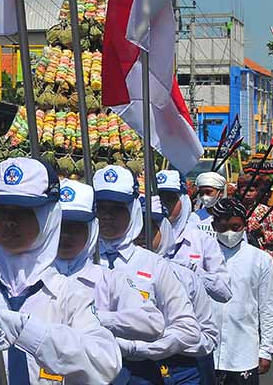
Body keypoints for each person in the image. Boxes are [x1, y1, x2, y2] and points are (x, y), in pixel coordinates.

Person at [0, 157, 122, 384]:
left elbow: (104, 364)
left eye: (22, 212)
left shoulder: (68, 294)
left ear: (47, 216)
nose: (9, 222)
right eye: (1, 211)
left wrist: (29, 332)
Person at [93, 165, 201, 385]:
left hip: (139, 372)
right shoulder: (79, 260)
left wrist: (139, 348)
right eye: (100, 208)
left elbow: (188, 328)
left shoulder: (154, 264)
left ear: (132, 209)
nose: (107, 216)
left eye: (117, 208)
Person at [55, 179, 165, 345]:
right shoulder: (30, 279)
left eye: (75, 227)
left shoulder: (111, 280)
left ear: (91, 229)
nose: (65, 235)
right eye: (60, 226)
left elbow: (151, 323)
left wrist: (92, 316)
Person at [135, 196, 219, 385]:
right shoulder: (113, 273)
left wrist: (171, 342)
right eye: (137, 228)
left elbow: (209, 336)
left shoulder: (185, 276)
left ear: (164, 229)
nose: (142, 236)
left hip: (182, 369)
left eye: (150, 229)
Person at [210, 199, 273, 384]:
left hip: (243, 354)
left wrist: (266, 349)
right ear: (214, 226)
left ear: (245, 225)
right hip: (207, 352)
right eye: (223, 228)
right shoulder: (204, 256)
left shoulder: (260, 260)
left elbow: (269, 307)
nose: (229, 233)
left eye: (235, 227)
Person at [157, 170, 232, 303]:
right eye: (160, 198)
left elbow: (224, 292)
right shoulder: (141, 238)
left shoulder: (203, 241)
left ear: (183, 200)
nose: (164, 205)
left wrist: (194, 270)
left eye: (170, 199)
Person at [193, 172, 227, 237]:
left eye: (208, 192)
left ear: (221, 192)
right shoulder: (193, 217)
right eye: (201, 193)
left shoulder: (230, 218)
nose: (204, 196)